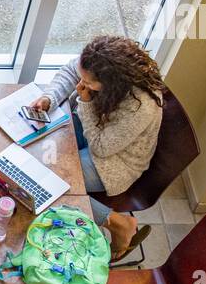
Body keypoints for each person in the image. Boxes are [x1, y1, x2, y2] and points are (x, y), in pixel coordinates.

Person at [31, 35, 164, 261]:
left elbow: (102, 147)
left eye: (89, 83)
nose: (81, 84)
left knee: (50, 183)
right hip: (91, 132)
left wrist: (85, 103)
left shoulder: (140, 106)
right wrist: (49, 97)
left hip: (115, 162)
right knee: (40, 158)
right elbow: (70, 71)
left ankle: (119, 224)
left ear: (111, 83)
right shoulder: (98, 62)